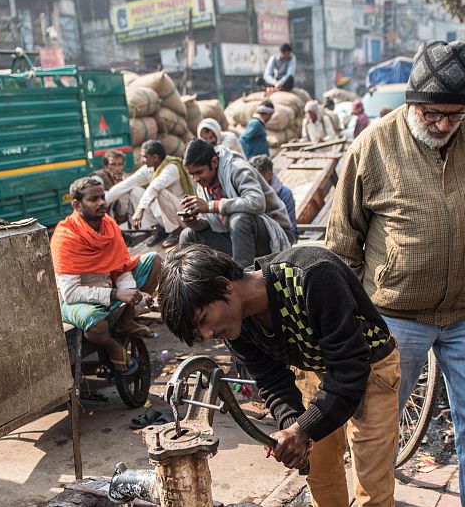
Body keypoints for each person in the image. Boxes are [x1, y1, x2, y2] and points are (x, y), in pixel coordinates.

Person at [326, 39, 465, 507]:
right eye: (431, 113)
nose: (441, 124)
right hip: (395, 314)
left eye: (453, 114)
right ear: (412, 103)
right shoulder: (373, 146)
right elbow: (343, 239)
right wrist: (349, 316)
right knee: (378, 423)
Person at [157, 243, 401, 507]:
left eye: (203, 321)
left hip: (370, 368)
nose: (207, 335)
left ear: (224, 286)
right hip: (317, 370)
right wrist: (292, 428)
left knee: (372, 486)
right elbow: (271, 381)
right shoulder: (240, 327)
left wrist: (303, 428)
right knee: (319, 469)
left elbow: (351, 368)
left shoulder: (312, 275)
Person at [51, 176, 161, 373]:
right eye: (94, 199)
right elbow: (70, 293)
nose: (102, 202)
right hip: (74, 301)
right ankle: (112, 346)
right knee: (97, 326)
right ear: (77, 204)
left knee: (154, 261)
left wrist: (131, 292)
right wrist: (115, 295)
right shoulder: (65, 236)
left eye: (103, 197)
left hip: (109, 287)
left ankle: (126, 321)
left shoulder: (109, 226)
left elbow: (120, 267)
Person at [178, 139, 293, 267]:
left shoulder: (237, 168)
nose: (196, 178)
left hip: (272, 234)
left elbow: (257, 202)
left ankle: (243, 278)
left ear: (214, 162)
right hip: (235, 236)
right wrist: (195, 223)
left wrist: (211, 206)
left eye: (199, 172)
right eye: (192, 174)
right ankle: (191, 281)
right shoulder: (203, 183)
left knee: (239, 219)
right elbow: (213, 222)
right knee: (188, 235)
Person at [105, 140, 192, 248]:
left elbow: (154, 187)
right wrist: (104, 201)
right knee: (134, 190)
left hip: (182, 215)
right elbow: (126, 184)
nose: (141, 160)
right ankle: (159, 230)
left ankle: (176, 231)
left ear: (154, 157)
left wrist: (140, 210)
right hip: (165, 216)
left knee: (159, 192)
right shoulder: (149, 170)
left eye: (144, 157)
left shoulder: (171, 168)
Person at [249, 153, 298, 241]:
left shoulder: (284, 194)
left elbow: (291, 229)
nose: (256, 181)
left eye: (259, 177)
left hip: (282, 236)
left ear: (269, 174)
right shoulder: (252, 193)